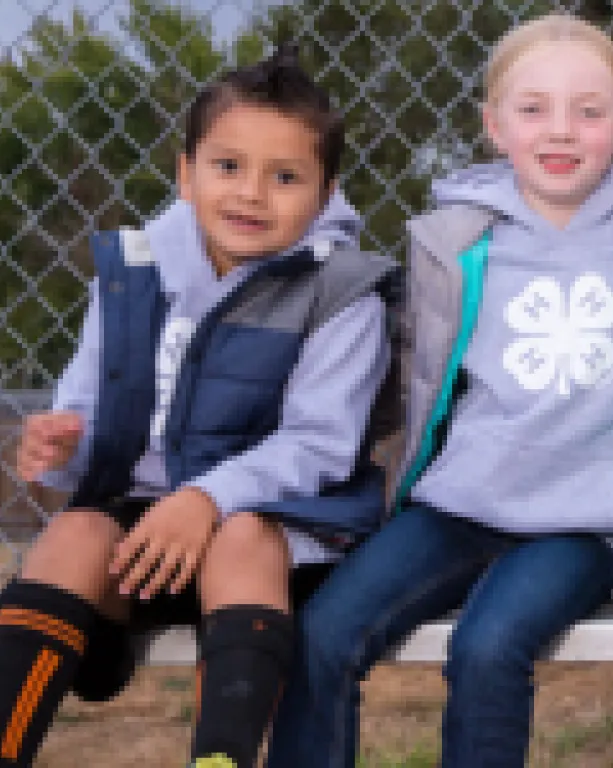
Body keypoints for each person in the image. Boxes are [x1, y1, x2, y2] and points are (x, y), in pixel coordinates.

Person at [265, 14, 613, 766]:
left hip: (586, 521)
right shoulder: (453, 244)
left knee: (488, 647)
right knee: (323, 633)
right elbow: (404, 371)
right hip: (461, 503)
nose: (562, 130)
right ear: (493, 125)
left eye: (590, 109)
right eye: (533, 108)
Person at [3, 47, 393, 767]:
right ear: (185, 173)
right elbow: (88, 417)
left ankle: (220, 758)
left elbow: (319, 445)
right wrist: (62, 449)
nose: (251, 193)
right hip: (149, 536)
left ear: (325, 192)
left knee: (241, 534)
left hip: (278, 547)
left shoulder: (341, 294)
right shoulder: (130, 275)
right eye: (227, 166)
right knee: (76, 532)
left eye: (284, 177)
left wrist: (205, 500)